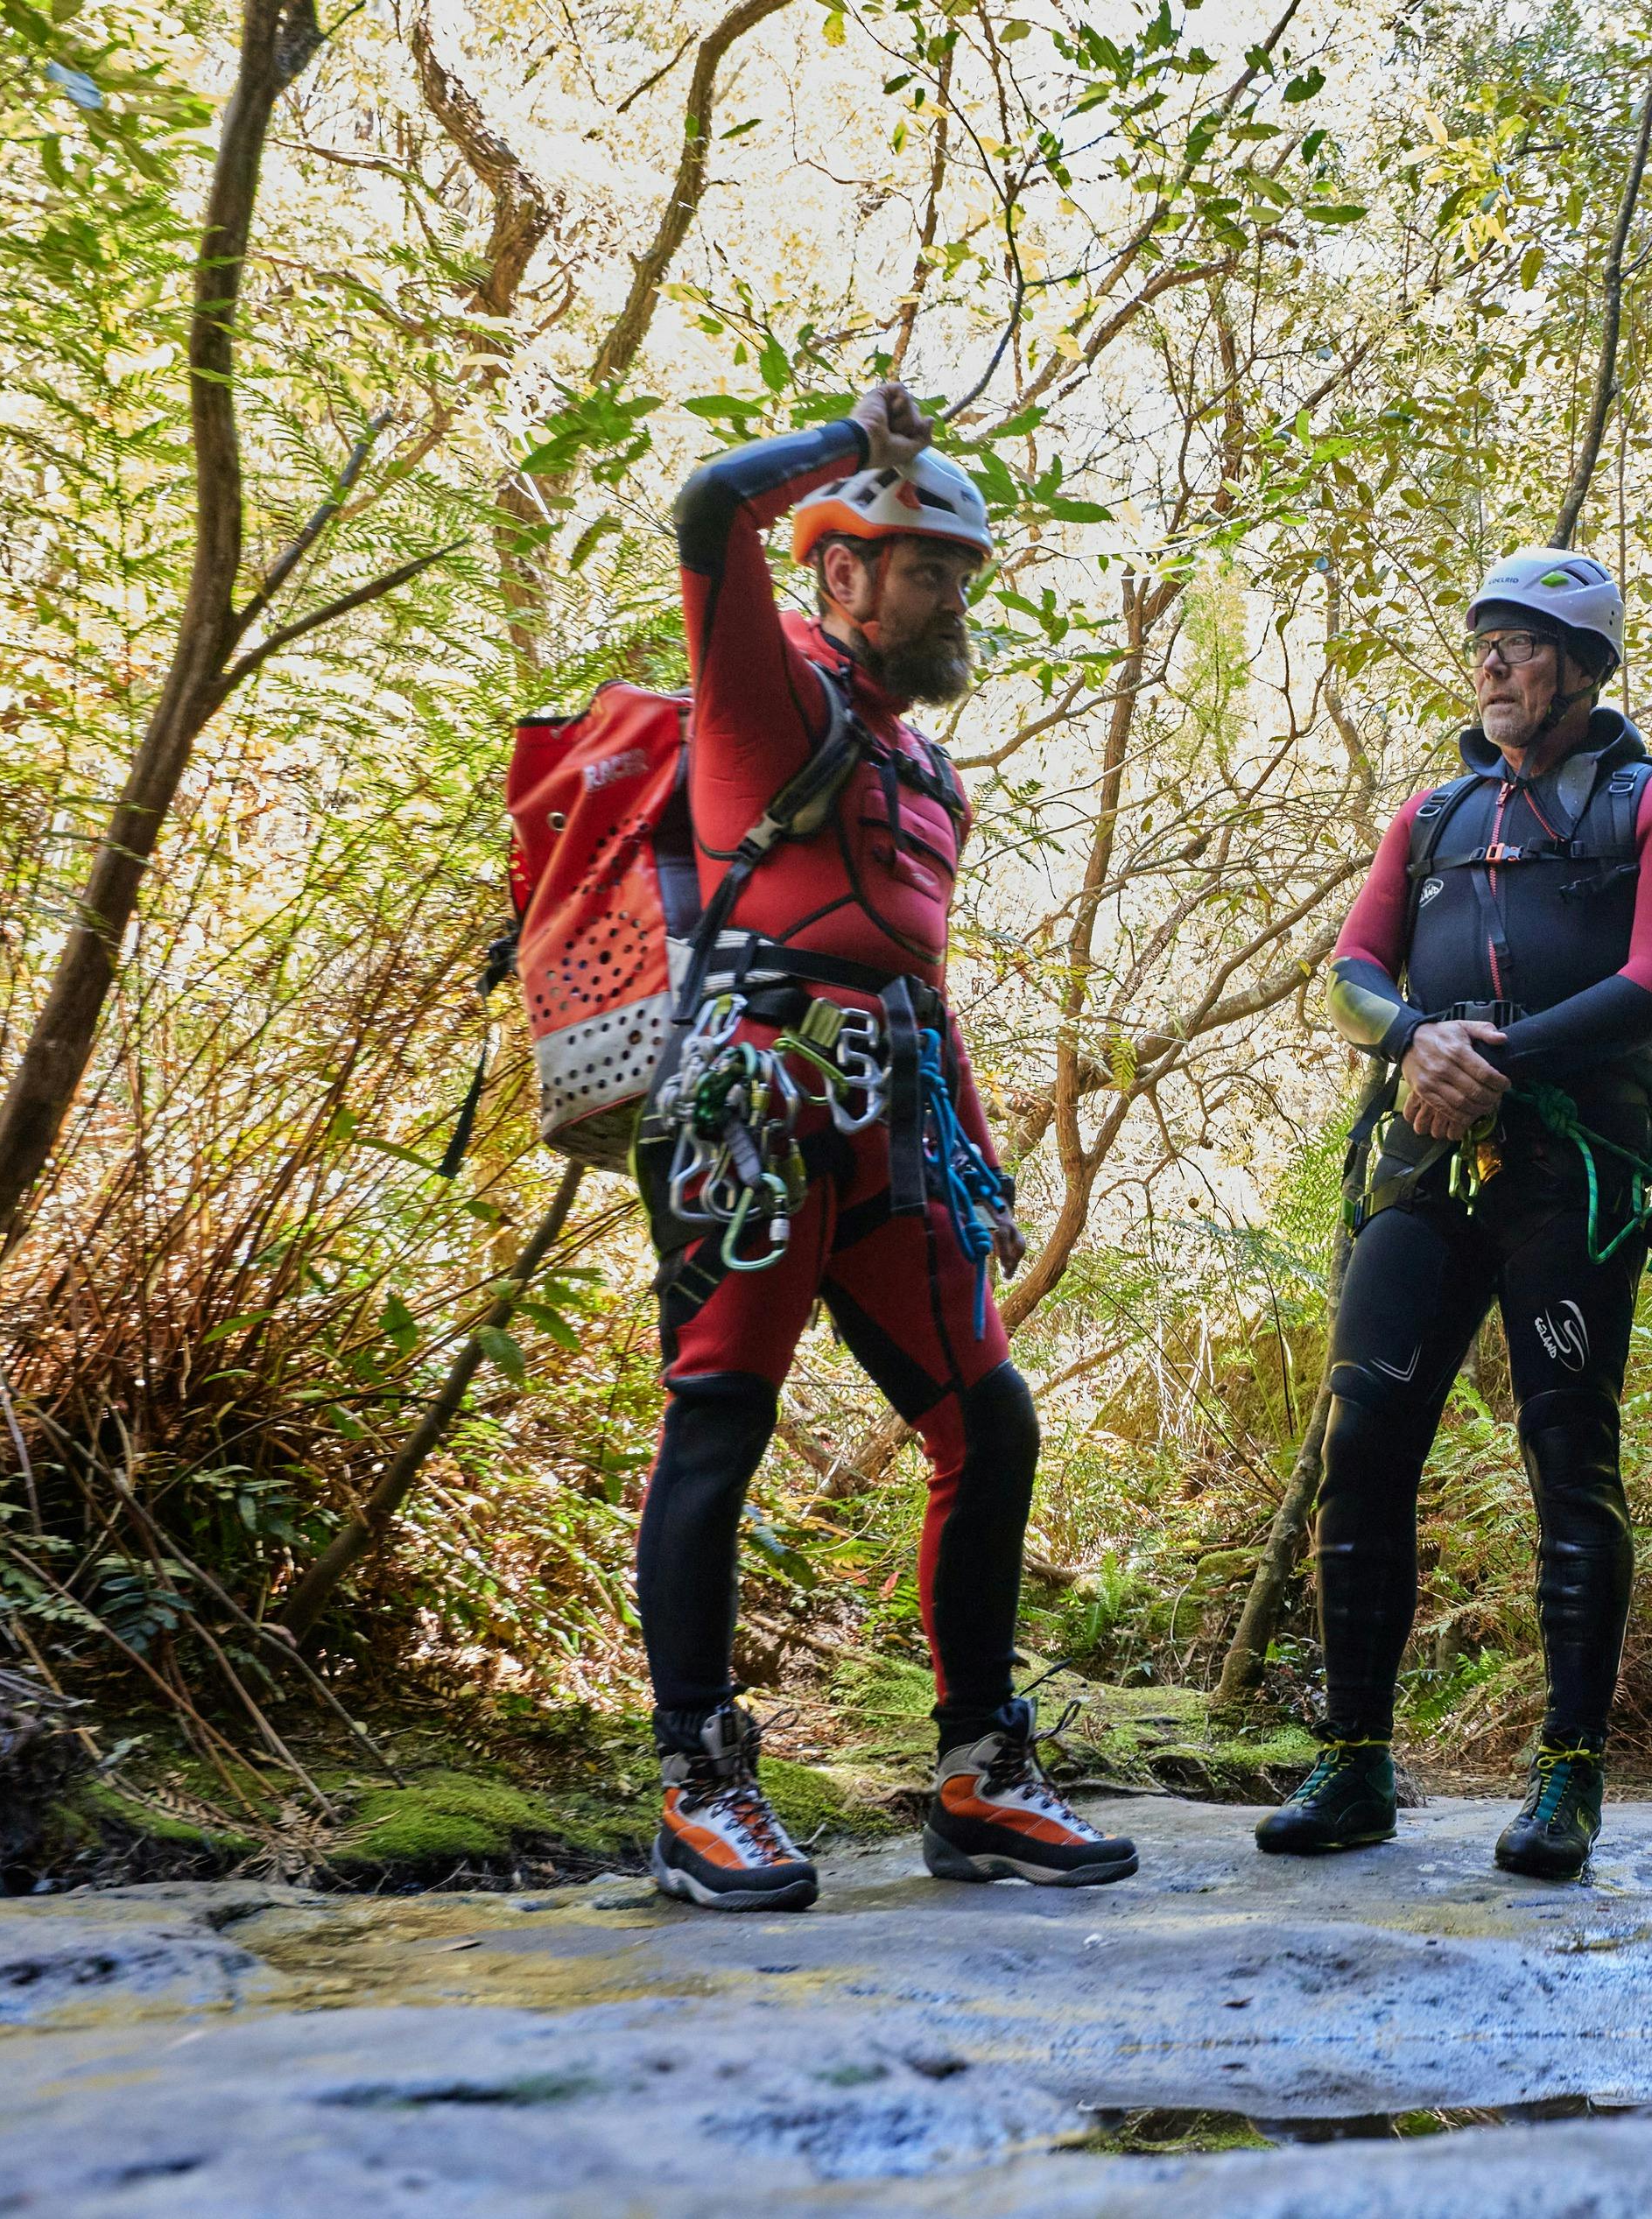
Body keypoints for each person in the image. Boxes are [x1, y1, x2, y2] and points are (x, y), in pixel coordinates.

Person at [635, 382, 1135, 1911]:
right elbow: (713, 504)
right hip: (755, 1112)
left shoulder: (932, 778)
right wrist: (864, 449)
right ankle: (697, 1787)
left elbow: (923, 987)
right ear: (840, 571)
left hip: (898, 1126)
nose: (952, 601)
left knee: (992, 1424)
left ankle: (982, 1776)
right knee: (720, 1423)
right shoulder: (767, 700)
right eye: (928, 570)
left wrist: (985, 1168)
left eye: (962, 576)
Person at [1257, 549, 1652, 1882]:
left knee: (1570, 1456)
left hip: (1574, 1171)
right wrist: (1414, 1038)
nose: (1495, 667)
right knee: (1368, 1442)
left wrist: (1490, 1060)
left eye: (1522, 645)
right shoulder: (1436, 813)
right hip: (1429, 1163)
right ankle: (1354, 1762)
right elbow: (1349, 965)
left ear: (1583, 669)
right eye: (1485, 645)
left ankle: (1568, 1777)